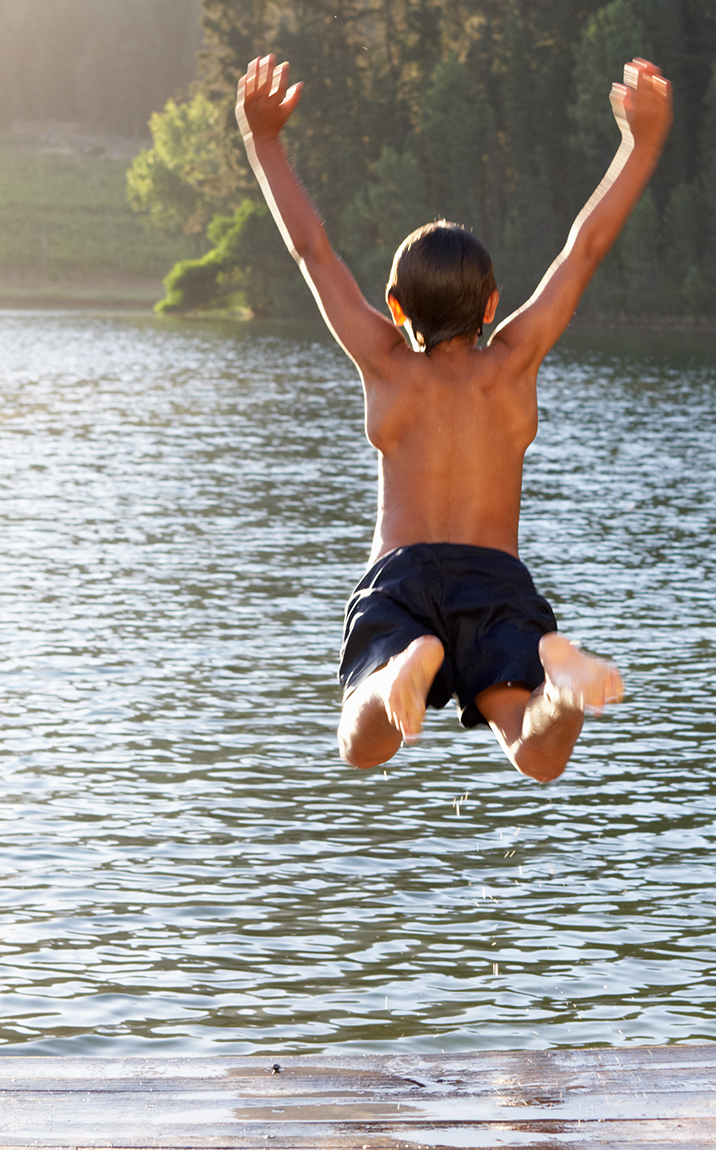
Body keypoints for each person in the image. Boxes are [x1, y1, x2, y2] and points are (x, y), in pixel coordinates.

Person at [236, 52, 670, 783]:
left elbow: (311, 249)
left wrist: (265, 140)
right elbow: (585, 247)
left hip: (402, 579)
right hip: (495, 581)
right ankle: (560, 690)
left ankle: (400, 668)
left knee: (362, 742)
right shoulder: (514, 362)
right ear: (494, 305)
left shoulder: (386, 362)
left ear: (397, 308)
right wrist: (642, 142)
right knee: (535, 754)